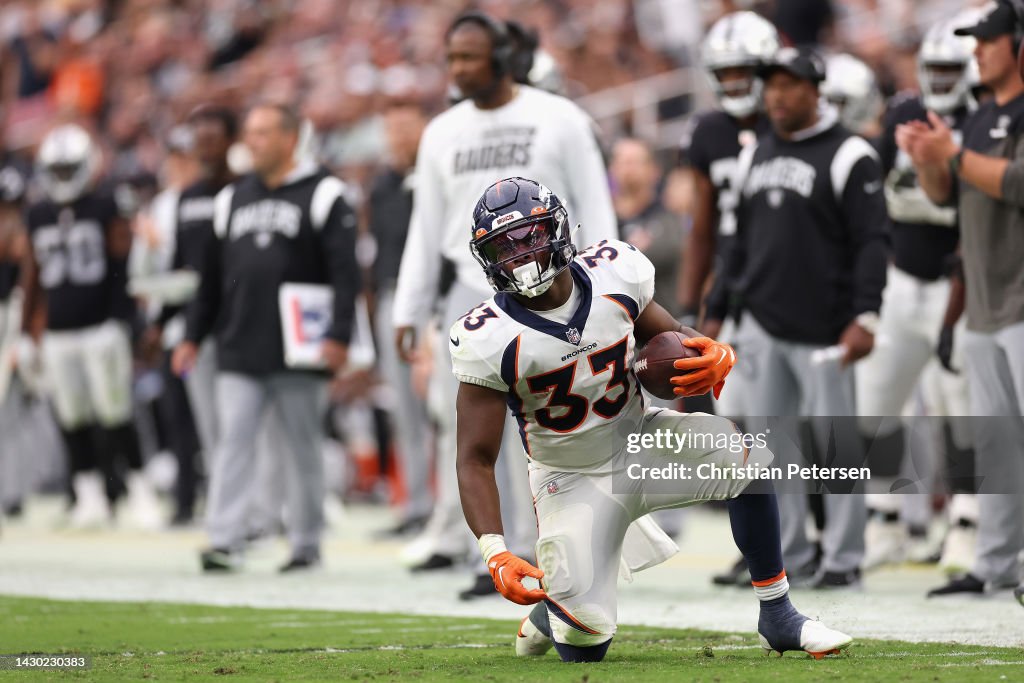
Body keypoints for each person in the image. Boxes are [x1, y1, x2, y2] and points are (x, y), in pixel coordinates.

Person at [451, 176, 852, 662]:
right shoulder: (488, 337)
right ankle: (557, 606)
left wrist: (714, 352)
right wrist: (494, 550)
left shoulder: (613, 275)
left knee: (747, 459)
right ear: (485, 259)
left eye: (529, 238)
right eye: (503, 248)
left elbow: (672, 339)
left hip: (641, 441)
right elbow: (474, 458)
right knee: (584, 644)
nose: (520, 257)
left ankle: (777, 614)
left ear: (555, 229)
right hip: (570, 478)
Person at [390, 11, 617, 595]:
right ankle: (493, 559)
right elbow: (426, 226)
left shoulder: (559, 117)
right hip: (472, 290)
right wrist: (409, 308)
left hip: (552, 286)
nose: (460, 69)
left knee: (547, 430)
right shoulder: (441, 131)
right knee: (469, 433)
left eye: (470, 57)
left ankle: (562, 553)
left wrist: (606, 284)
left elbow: (595, 203)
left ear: (503, 58)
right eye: (453, 59)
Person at [705, 47, 889, 589]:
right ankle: (791, 555)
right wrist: (715, 313)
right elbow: (736, 246)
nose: (777, 96)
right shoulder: (754, 153)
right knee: (770, 450)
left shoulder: (850, 153)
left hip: (825, 326)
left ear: (816, 89)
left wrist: (867, 315)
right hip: (761, 320)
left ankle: (845, 555)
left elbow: (872, 243)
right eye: (772, 86)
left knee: (835, 449)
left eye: (789, 86)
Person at [173, 103, 360, 572]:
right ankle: (224, 537)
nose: (250, 141)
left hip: (300, 348)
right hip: (238, 342)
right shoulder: (231, 198)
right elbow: (210, 280)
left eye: (261, 132)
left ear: (290, 138)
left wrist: (339, 335)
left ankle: (305, 542)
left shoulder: (325, 193)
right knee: (232, 440)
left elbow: (346, 274)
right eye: (250, 133)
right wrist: (192, 335)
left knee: (302, 447)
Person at [896, 0, 1024, 600]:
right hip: (985, 302)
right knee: (995, 443)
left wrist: (952, 156)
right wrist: (928, 158)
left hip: (1021, 300)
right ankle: (995, 565)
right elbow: (952, 200)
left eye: (990, 40)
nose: (978, 50)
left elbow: (1019, 184)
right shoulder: (977, 116)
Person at [855, 14, 980, 571]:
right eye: (934, 67)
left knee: (961, 410)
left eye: (952, 67)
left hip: (957, 282)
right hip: (902, 280)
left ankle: (968, 524)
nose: (942, 76)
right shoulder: (905, 112)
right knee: (875, 402)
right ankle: (884, 520)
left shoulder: (980, 120)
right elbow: (869, 184)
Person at [675, 10, 780, 585]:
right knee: (746, 423)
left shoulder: (787, 119)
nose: (736, 82)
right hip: (733, 288)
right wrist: (689, 306)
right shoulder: (710, 131)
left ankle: (812, 544)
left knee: (788, 421)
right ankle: (767, 546)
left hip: (785, 285)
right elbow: (703, 225)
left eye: (746, 70)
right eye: (727, 72)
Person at [21, 123, 162, 530]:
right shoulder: (39, 212)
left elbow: (123, 266)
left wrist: (126, 322)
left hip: (102, 324)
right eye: (58, 170)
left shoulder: (106, 205)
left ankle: (139, 492)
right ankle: (89, 496)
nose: (63, 178)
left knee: (115, 412)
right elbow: (32, 273)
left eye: (70, 169)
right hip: (59, 330)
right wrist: (30, 331)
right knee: (72, 416)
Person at [368, 102, 432, 536]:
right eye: (391, 127)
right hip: (393, 298)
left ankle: (455, 508)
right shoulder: (381, 187)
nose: (399, 136)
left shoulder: (434, 175)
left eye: (406, 125)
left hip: (435, 300)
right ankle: (416, 504)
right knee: (404, 410)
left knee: (447, 409)